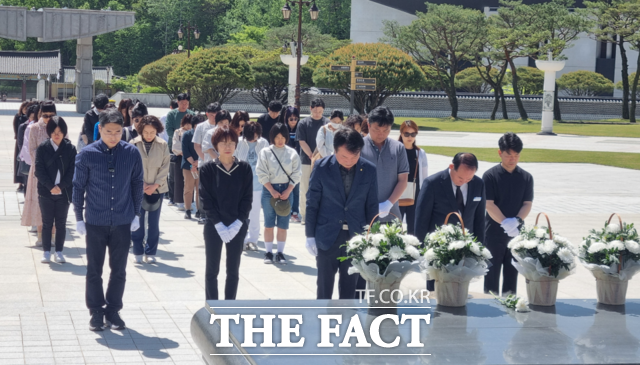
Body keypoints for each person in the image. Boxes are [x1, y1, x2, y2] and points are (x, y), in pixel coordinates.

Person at [73, 108, 144, 331]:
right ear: (100, 130)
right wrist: (78, 217)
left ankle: (113, 310)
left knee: (119, 269)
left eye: (117, 131)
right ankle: (95, 311)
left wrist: (136, 214)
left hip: (123, 220)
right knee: (94, 269)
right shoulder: (87, 154)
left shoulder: (131, 153)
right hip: (95, 220)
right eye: (108, 131)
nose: (113, 136)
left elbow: (137, 184)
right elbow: (78, 187)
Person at [306, 128, 379, 299]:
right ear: (335, 149)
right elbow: (312, 203)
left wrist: (371, 237)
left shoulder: (369, 170)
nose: (349, 161)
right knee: (324, 286)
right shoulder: (321, 167)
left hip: (355, 236)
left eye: (355, 156)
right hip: (327, 235)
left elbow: (372, 206)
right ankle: (323, 321)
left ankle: (346, 321)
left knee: (350, 287)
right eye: (344, 156)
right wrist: (310, 235)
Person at [415, 152, 486, 292]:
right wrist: (422, 250)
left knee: (460, 291)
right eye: (460, 177)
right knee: (436, 292)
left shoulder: (478, 184)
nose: (464, 181)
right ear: (452, 166)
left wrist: (479, 249)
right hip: (438, 249)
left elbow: (479, 219)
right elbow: (421, 219)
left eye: (468, 179)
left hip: (466, 248)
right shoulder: (432, 183)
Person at [200, 128, 253, 300]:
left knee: (233, 270)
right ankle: (212, 308)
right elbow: (205, 199)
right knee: (211, 270)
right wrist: (218, 224)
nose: (227, 146)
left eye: (231, 142)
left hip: (237, 224)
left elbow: (247, 198)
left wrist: (238, 222)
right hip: (214, 225)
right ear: (216, 145)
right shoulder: (208, 169)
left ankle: (230, 307)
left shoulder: (244, 168)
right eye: (223, 143)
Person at [483, 133, 533, 296]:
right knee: (491, 271)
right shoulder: (490, 176)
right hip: (494, 232)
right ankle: (489, 304)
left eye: (516, 155)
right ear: (500, 153)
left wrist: (517, 221)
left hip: (516, 232)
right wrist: (505, 222)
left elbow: (527, 204)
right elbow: (489, 204)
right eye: (508, 155)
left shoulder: (526, 177)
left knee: (512, 272)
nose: (513, 159)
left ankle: (510, 302)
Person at [256, 123, 301, 264]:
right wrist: (271, 189)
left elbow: (297, 173)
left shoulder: (292, 153)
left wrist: (288, 190)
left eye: (283, 137)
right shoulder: (265, 152)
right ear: (272, 138)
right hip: (270, 190)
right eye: (277, 137)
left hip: (287, 189)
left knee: (283, 224)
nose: (280, 140)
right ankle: (268, 252)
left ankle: (280, 252)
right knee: (269, 223)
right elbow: (261, 172)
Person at [35, 116, 77, 263]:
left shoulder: (70, 148)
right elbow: (38, 171)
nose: (56, 134)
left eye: (60, 131)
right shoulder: (43, 148)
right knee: (47, 222)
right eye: (53, 131)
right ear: (49, 132)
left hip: (63, 192)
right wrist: (50, 186)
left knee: (61, 223)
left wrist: (61, 186)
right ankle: (46, 251)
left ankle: (59, 251)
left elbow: (72, 171)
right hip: (46, 192)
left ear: (64, 132)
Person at [130, 115, 170, 264]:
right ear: (141, 131)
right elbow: (129, 166)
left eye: (152, 132)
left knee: (153, 223)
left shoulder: (163, 145)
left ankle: (151, 251)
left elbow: (165, 167)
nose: (148, 135)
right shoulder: (133, 144)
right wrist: (140, 184)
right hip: (137, 189)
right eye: (146, 132)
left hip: (157, 190)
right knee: (137, 221)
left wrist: (155, 185)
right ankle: (137, 251)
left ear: (157, 131)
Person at [360, 106, 409, 223]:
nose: (381, 134)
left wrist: (388, 203)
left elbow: (403, 180)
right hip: (364, 214)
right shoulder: (358, 146)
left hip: (392, 214)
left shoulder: (398, 148)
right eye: (377, 129)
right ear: (368, 125)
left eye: (386, 130)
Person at [22, 101, 58, 244]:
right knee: (39, 202)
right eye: (45, 115)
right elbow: (31, 150)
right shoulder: (34, 128)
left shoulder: (59, 127)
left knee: (55, 204)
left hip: (57, 172)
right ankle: (41, 235)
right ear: (40, 114)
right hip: (39, 171)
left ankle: (54, 237)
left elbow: (66, 147)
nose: (48, 118)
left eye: (51, 115)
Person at [234, 121, 269, 251]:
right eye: (250, 135)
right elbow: (234, 160)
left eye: (255, 135)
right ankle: (241, 239)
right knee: (242, 214)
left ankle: (253, 240)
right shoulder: (238, 142)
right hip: (241, 185)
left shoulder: (264, 143)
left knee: (255, 214)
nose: (252, 138)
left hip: (258, 185)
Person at [296, 98, 329, 224]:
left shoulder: (327, 123)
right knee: (305, 187)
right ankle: (304, 215)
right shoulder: (303, 123)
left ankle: (320, 214)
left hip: (323, 160)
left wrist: (318, 155)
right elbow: (301, 141)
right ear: (310, 109)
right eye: (315, 111)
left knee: (323, 188)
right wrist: (311, 155)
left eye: (320, 111)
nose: (317, 114)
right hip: (305, 160)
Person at [398, 120, 428, 235]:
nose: (410, 137)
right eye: (406, 134)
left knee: (413, 227)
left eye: (413, 134)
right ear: (401, 133)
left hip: (415, 193)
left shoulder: (420, 153)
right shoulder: (395, 150)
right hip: (397, 192)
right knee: (396, 226)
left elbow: (425, 176)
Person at [280, 107, 302, 223]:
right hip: (285, 163)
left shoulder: (300, 128)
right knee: (286, 188)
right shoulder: (283, 129)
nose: (293, 121)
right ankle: (286, 211)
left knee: (296, 189)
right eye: (291, 119)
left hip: (297, 162)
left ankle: (295, 212)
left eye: (295, 118)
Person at [181, 114, 201, 220]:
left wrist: (198, 162)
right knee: (188, 188)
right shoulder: (187, 135)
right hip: (188, 165)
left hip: (201, 164)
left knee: (199, 189)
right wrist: (193, 163)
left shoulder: (204, 135)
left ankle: (199, 210)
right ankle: (188, 210)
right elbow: (185, 151)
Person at [171, 114, 193, 212]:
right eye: (187, 123)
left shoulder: (193, 132)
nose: (188, 126)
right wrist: (185, 152)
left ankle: (189, 202)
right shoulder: (178, 132)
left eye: (190, 124)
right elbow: (175, 146)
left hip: (191, 158)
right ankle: (180, 201)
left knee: (190, 181)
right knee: (179, 179)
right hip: (180, 157)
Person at [17, 104, 39, 195]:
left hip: (38, 159)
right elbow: (21, 143)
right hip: (27, 157)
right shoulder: (24, 126)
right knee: (27, 182)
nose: (33, 116)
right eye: (32, 114)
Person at [164, 100, 179, 207]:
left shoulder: (189, 114)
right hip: (171, 148)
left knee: (172, 174)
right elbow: (168, 131)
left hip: (168, 146)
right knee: (172, 174)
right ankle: (171, 196)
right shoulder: (169, 116)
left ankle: (172, 196)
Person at [13, 101, 30, 192]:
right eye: (24, 108)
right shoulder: (18, 117)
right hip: (20, 143)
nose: (25, 110)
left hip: (27, 143)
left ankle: (25, 182)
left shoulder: (30, 117)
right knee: (19, 163)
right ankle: (20, 183)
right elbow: (16, 128)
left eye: (27, 108)